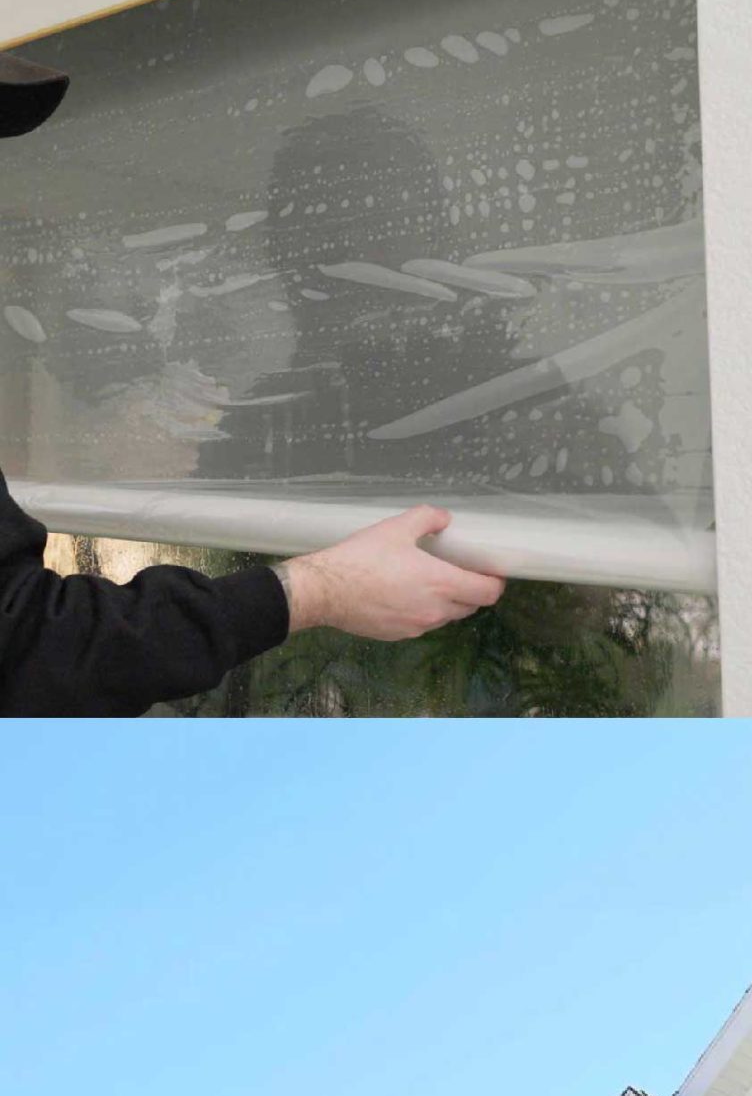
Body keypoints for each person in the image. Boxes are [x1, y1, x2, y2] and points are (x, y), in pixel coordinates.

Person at [0, 51, 504, 716]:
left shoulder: (531, 411)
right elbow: (30, 649)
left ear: (431, 230)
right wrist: (314, 592)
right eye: (309, 228)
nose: (320, 251)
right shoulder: (274, 419)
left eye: (365, 220)